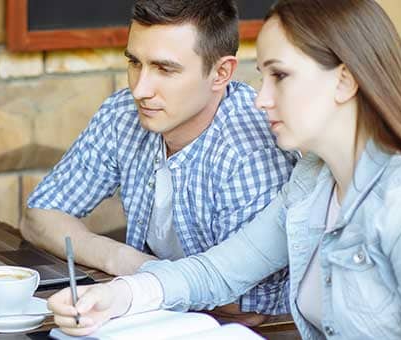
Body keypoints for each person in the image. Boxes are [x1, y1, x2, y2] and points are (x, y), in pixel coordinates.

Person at [47, 0, 401, 338]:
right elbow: (218, 271)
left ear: (344, 81)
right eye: (263, 77)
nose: (261, 99)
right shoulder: (312, 181)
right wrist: (120, 295)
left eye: (280, 76)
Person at [22, 0, 296, 325]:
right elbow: (39, 216)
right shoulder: (124, 114)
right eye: (135, 63)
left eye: (165, 69)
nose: (140, 90)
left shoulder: (248, 148)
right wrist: (123, 259)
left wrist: (136, 285)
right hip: (154, 313)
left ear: (221, 73)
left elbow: (246, 307)